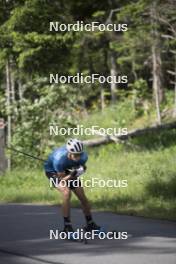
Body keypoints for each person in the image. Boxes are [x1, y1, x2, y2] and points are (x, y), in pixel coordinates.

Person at [44, 138, 100, 235]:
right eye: (75, 155)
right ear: (69, 152)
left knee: (82, 197)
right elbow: (62, 180)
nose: (78, 157)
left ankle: (90, 224)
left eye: (79, 154)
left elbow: (80, 168)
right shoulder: (59, 159)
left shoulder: (84, 156)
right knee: (66, 193)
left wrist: (81, 170)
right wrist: (73, 174)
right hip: (53, 171)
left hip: (68, 170)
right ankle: (67, 226)